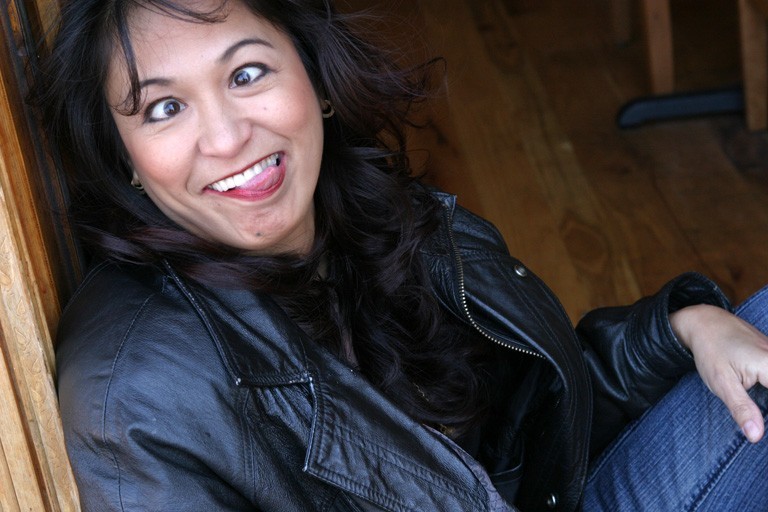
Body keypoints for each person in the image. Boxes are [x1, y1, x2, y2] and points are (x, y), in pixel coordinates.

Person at [35, 0, 768, 510]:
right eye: (164, 108)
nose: (226, 138)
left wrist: (682, 330)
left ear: (315, 77)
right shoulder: (135, 396)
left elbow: (532, 431)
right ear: (125, 159)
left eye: (246, 73)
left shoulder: (376, 219)